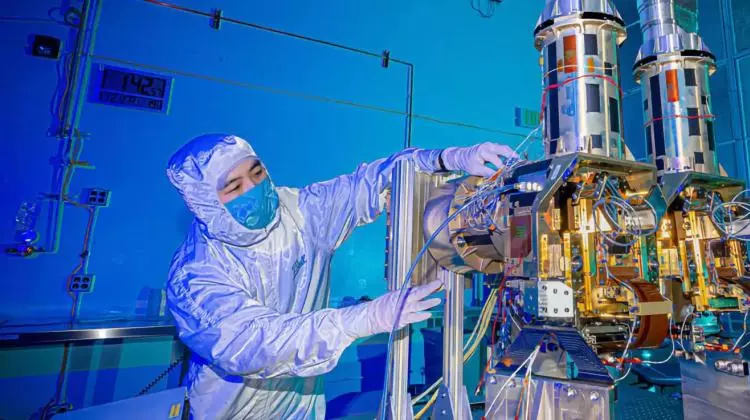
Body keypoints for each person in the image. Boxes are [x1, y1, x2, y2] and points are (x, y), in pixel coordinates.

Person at [165, 133, 518, 419]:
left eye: (257, 173)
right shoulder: (195, 275)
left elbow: (375, 179)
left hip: (301, 408)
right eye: (234, 186)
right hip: (228, 411)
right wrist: (362, 319)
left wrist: (448, 159)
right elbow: (252, 343)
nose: (254, 189)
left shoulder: (301, 213)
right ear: (206, 204)